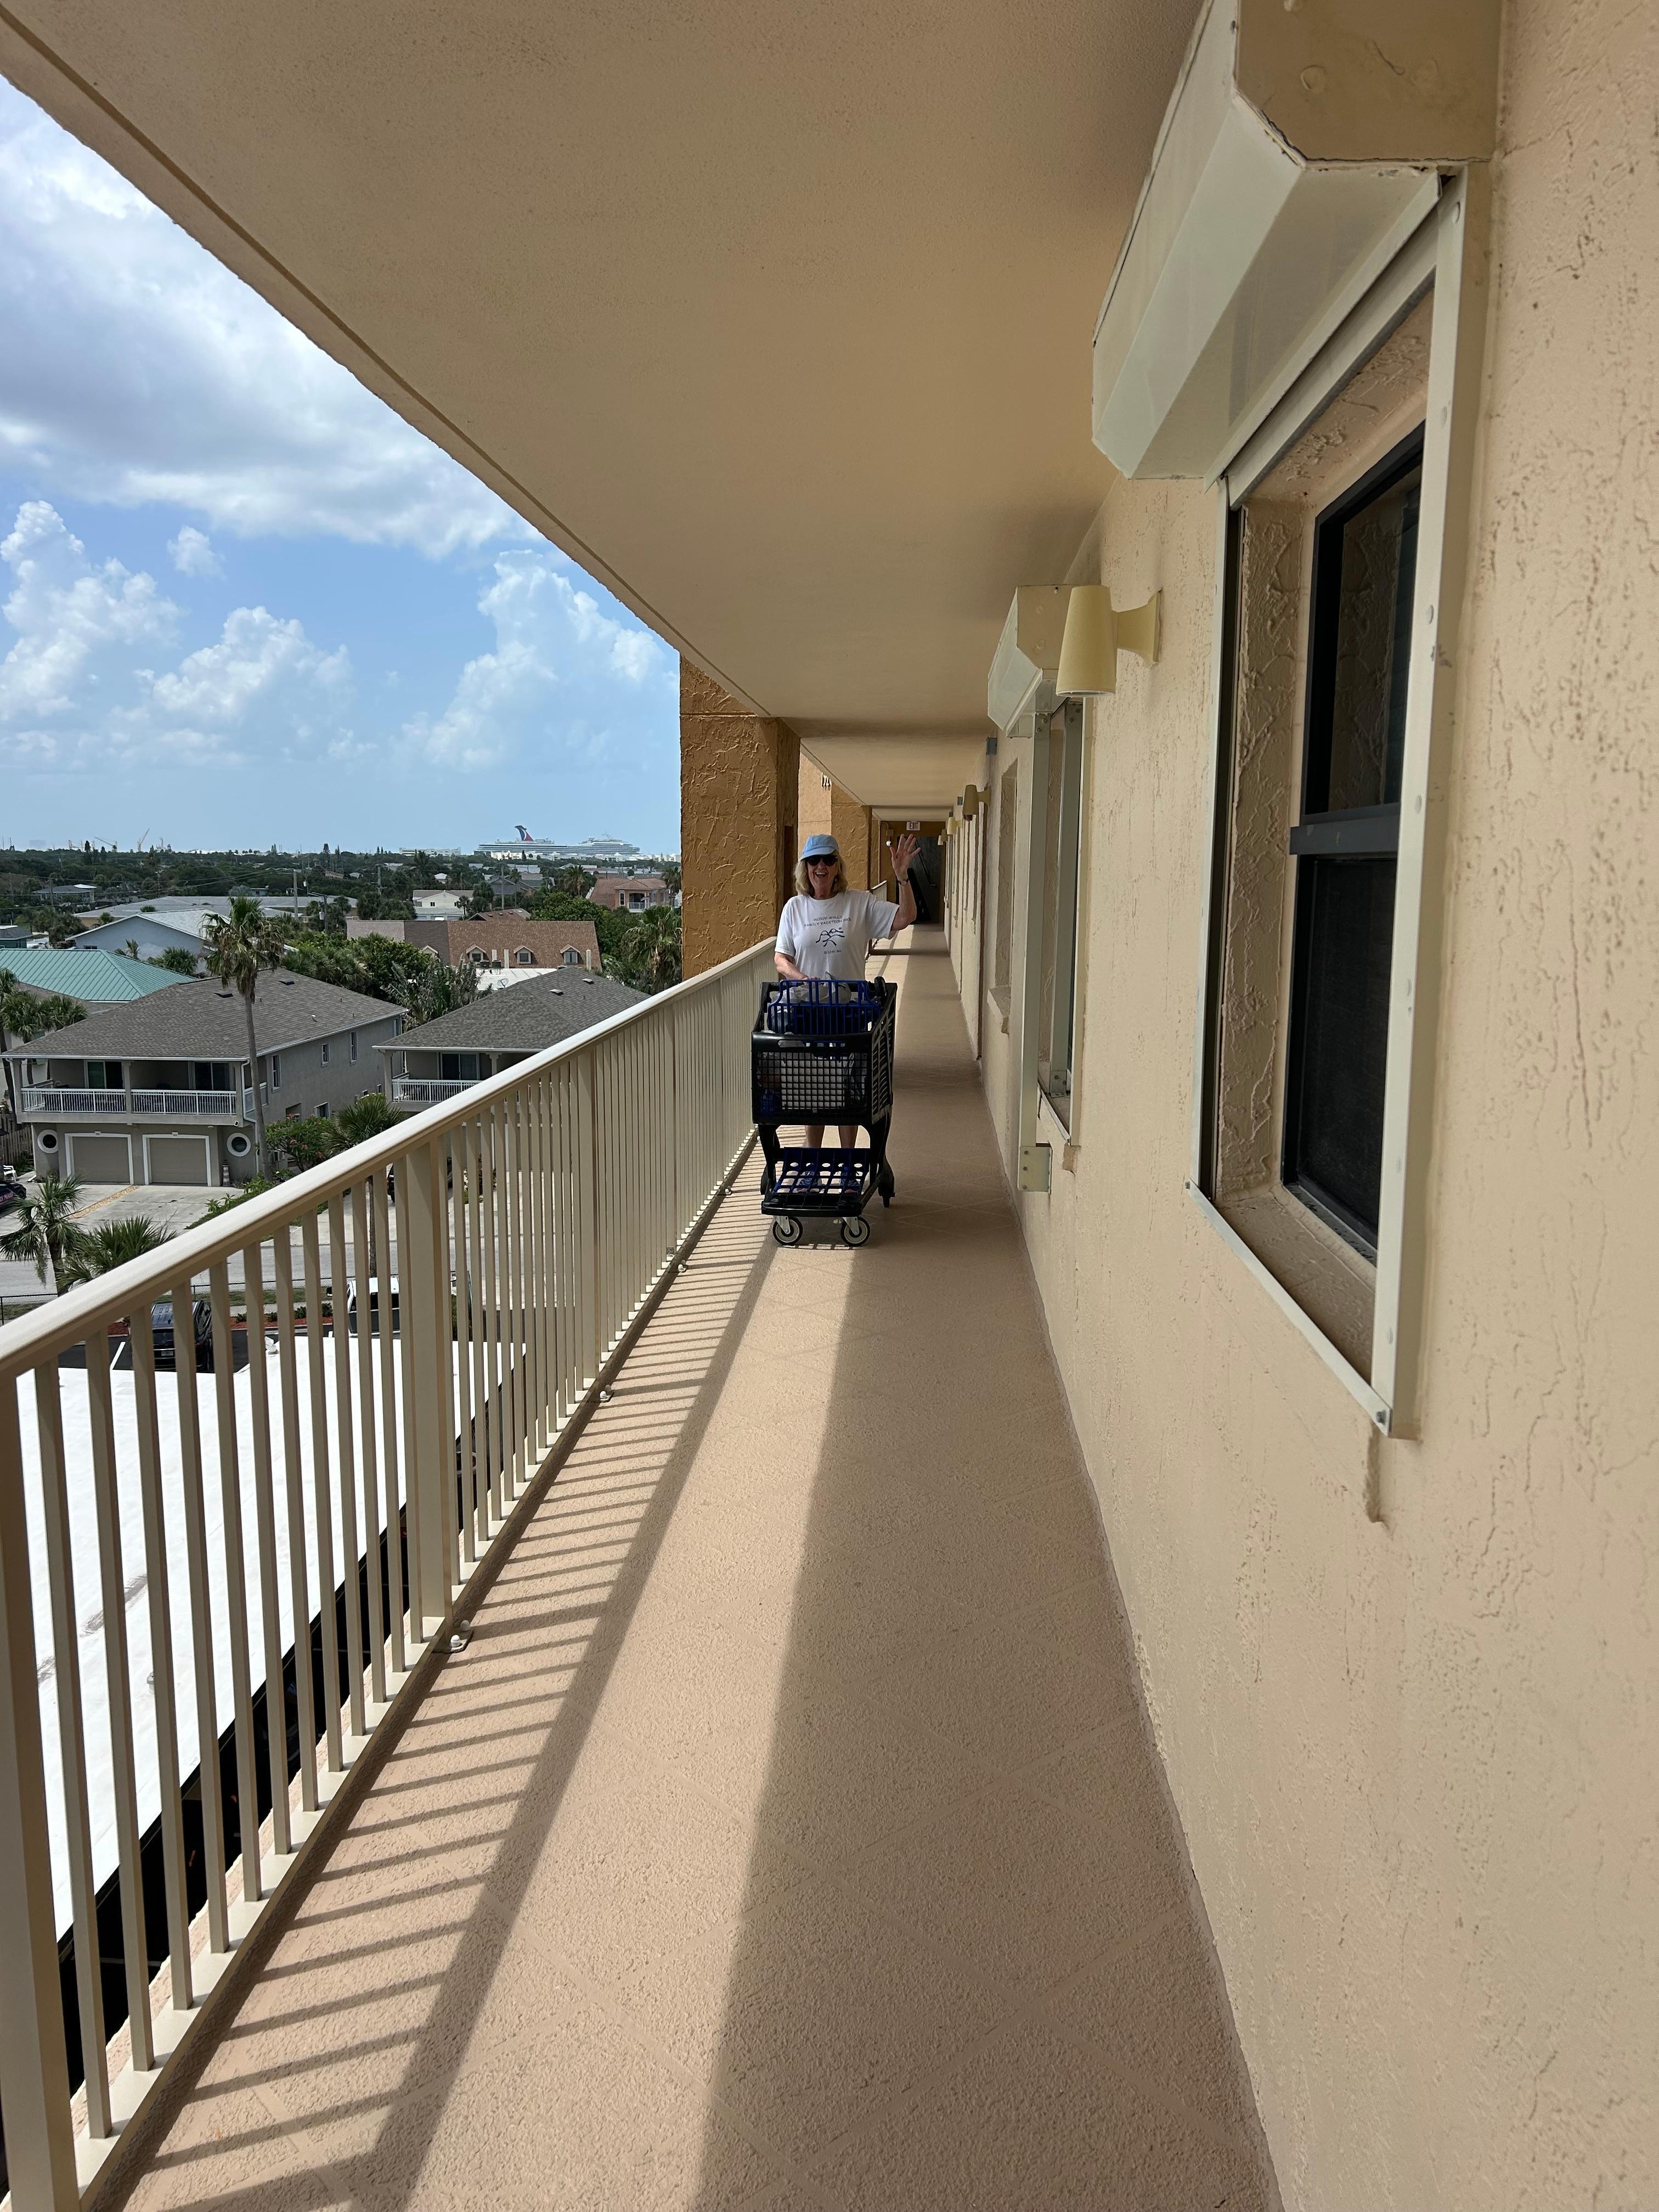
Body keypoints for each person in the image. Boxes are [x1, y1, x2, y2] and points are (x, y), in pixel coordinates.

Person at [775, 830, 918, 1151]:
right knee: (814, 1092)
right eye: (814, 861)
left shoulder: (858, 903)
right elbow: (781, 958)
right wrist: (801, 978)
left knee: (846, 1090)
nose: (821, 867)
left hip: (848, 1011)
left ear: (837, 866)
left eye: (828, 860)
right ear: (805, 867)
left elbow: (906, 917)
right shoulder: (794, 909)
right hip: (808, 1013)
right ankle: (812, 1163)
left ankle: (849, 1163)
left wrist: (902, 879)